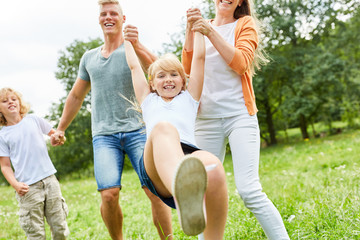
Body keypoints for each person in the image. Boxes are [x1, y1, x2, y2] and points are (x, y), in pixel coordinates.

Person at [51, 0, 172, 239]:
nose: (109, 17)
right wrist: (61, 128)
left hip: (138, 130)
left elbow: (162, 69)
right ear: (99, 19)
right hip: (104, 136)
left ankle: (167, 238)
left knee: (154, 189)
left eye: (114, 13)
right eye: (104, 13)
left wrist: (137, 44)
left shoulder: (133, 49)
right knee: (108, 194)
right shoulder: (89, 58)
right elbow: (76, 95)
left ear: (123, 19)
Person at [182, 1, 290, 239]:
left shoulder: (244, 24)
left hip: (239, 116)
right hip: (205, 120)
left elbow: (241, 63)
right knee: (202, 190)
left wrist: (209, 32)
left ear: (240, 1)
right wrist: (190, 30)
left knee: (249, 190)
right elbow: (187, 69)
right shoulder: (202, 26)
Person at [124, 26, 228, 239]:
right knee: (164, 128)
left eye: (174, 75)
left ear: (183, 80)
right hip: (155, 162)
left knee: (213, 166)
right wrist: (127, 40)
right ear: (152, 83)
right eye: (161, 76)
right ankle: (183, 190)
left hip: (187, 154)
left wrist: (198, 28)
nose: (168, 79)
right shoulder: (148, 99)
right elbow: (135, 67)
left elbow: (199, 59)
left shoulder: (189, 98)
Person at [0, 88, 69, 239]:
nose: (10, 102)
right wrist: (15, 185)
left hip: (50, 181)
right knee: (35, 233)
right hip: (28, 188)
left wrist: (58, 137)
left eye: (13, 99)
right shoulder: (3, 135)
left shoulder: (34, 120)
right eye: (4, 101)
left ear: (19, 102)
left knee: (60, 227)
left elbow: (56, 135)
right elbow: (5, 166)